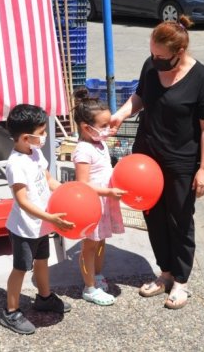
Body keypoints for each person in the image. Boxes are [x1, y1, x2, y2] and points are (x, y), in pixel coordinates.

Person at [110, 15, 204, 310]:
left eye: (160, 56)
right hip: (147, 157)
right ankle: (165, 272)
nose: (154, 60)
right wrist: (121, 114)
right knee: (153, 216)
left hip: (181, 160)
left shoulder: (202, 78)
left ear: (179, 53)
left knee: (180, 220)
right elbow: (140, 97)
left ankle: (181, 281)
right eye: (152, 54)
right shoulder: (151, 66)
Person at [1, 104, 75, 334]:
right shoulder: (16, 164)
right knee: (21, 268)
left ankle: (44, 297)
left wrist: (68, 192)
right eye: (42, 132)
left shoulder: (35, 153)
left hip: (41, 224)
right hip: (25, 228)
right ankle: (11, 311)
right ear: (26, 138)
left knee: (43, 261)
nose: (45, 136)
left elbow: (49, 179)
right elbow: (22, 201)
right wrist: (50, 217)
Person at [71, 88, 126, 306]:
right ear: (87, 127)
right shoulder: (83, 150)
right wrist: (109, 191)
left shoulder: (99, 143)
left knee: (101, 241)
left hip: (104, 202)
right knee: (89, 246)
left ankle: (97, 275)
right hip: (93, 204)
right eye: (103, 126)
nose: (108, 129)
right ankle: (89, 287)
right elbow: (83, 184)